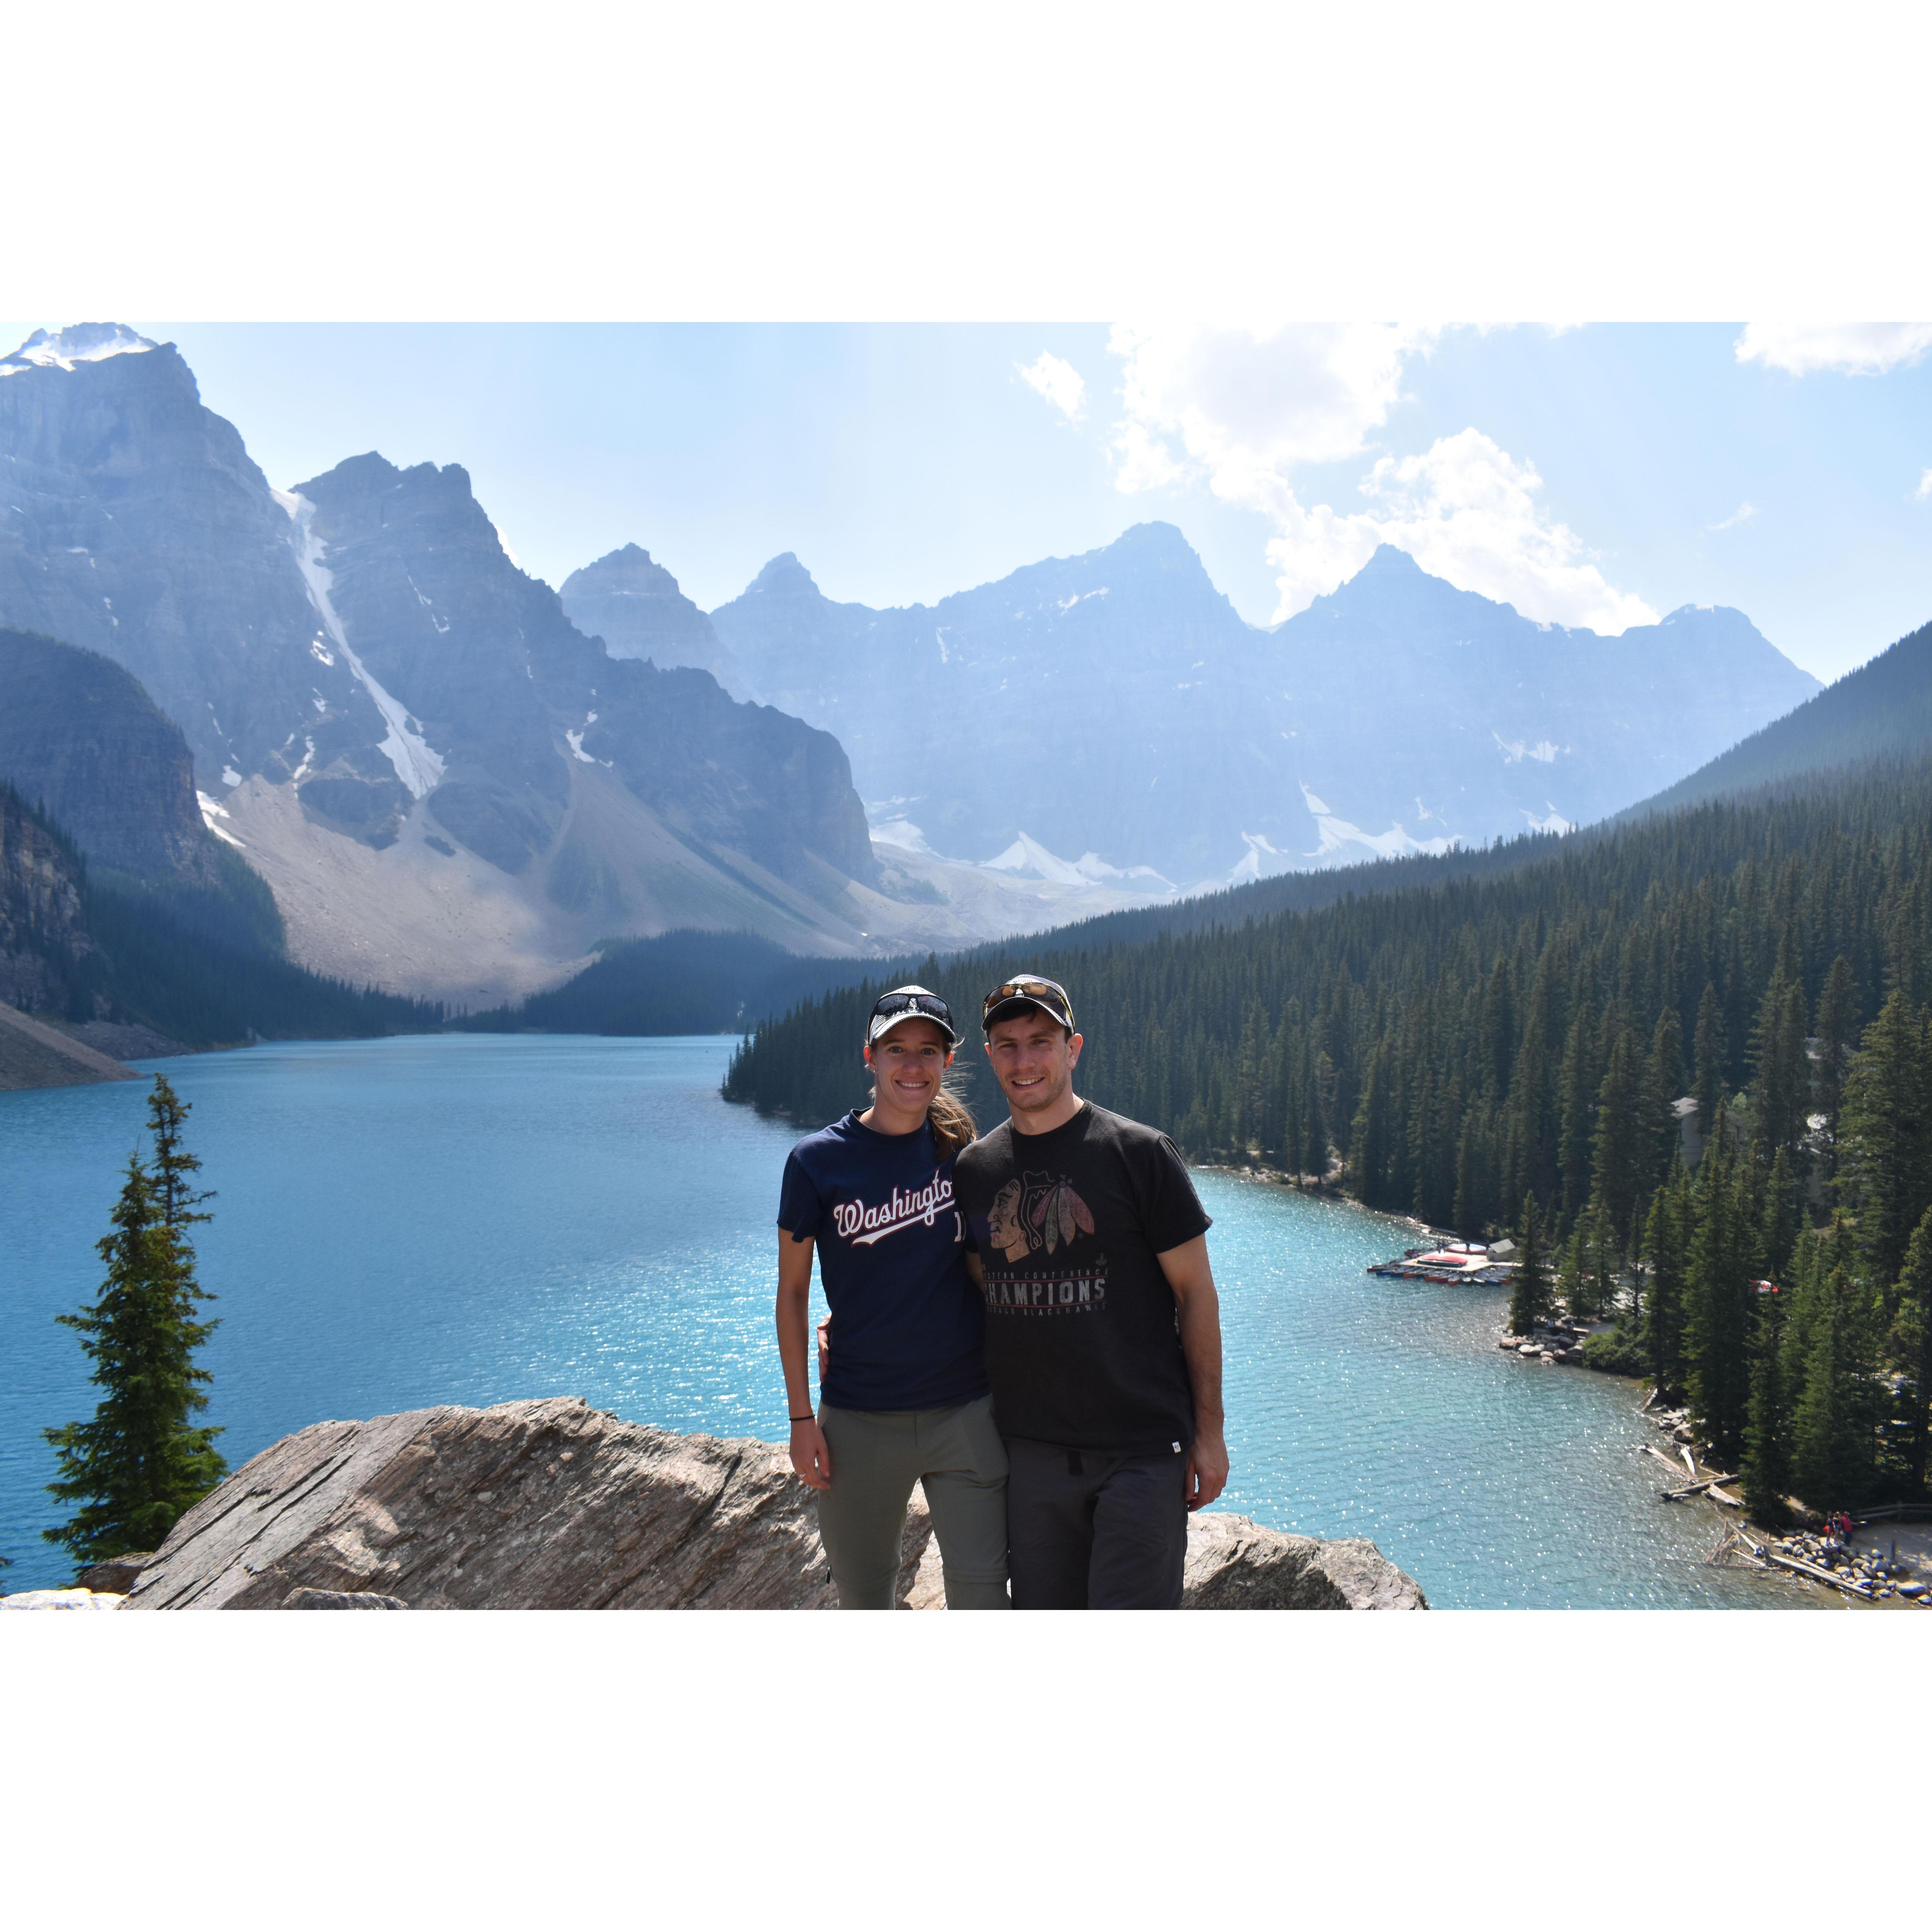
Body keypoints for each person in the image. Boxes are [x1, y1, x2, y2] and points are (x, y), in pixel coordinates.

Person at [951, 973, 1229, 1609]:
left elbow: (1197, 1297)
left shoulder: (1141, 1155)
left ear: (1073, 1048)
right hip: (1033, 1457)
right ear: (991, 1055)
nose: (1025, 1060)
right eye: (1008, 1044)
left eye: (1041, 1042)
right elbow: (973, 1288)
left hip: (1140, 1454)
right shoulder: (976, 1171)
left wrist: (1209, 1435)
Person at [774, 986, 1010, 1609]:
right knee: (865, 1600)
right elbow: (793, 1293)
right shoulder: (816, 1163)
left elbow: (994, 1269)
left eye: (928, 1051)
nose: (912, 1066)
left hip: (966, 1414)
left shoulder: (968, 1154)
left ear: (949, 1061)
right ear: (869, 1057)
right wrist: (802, 1420)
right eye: (896, 1049)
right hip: (858, 1421)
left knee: (985, 1600)